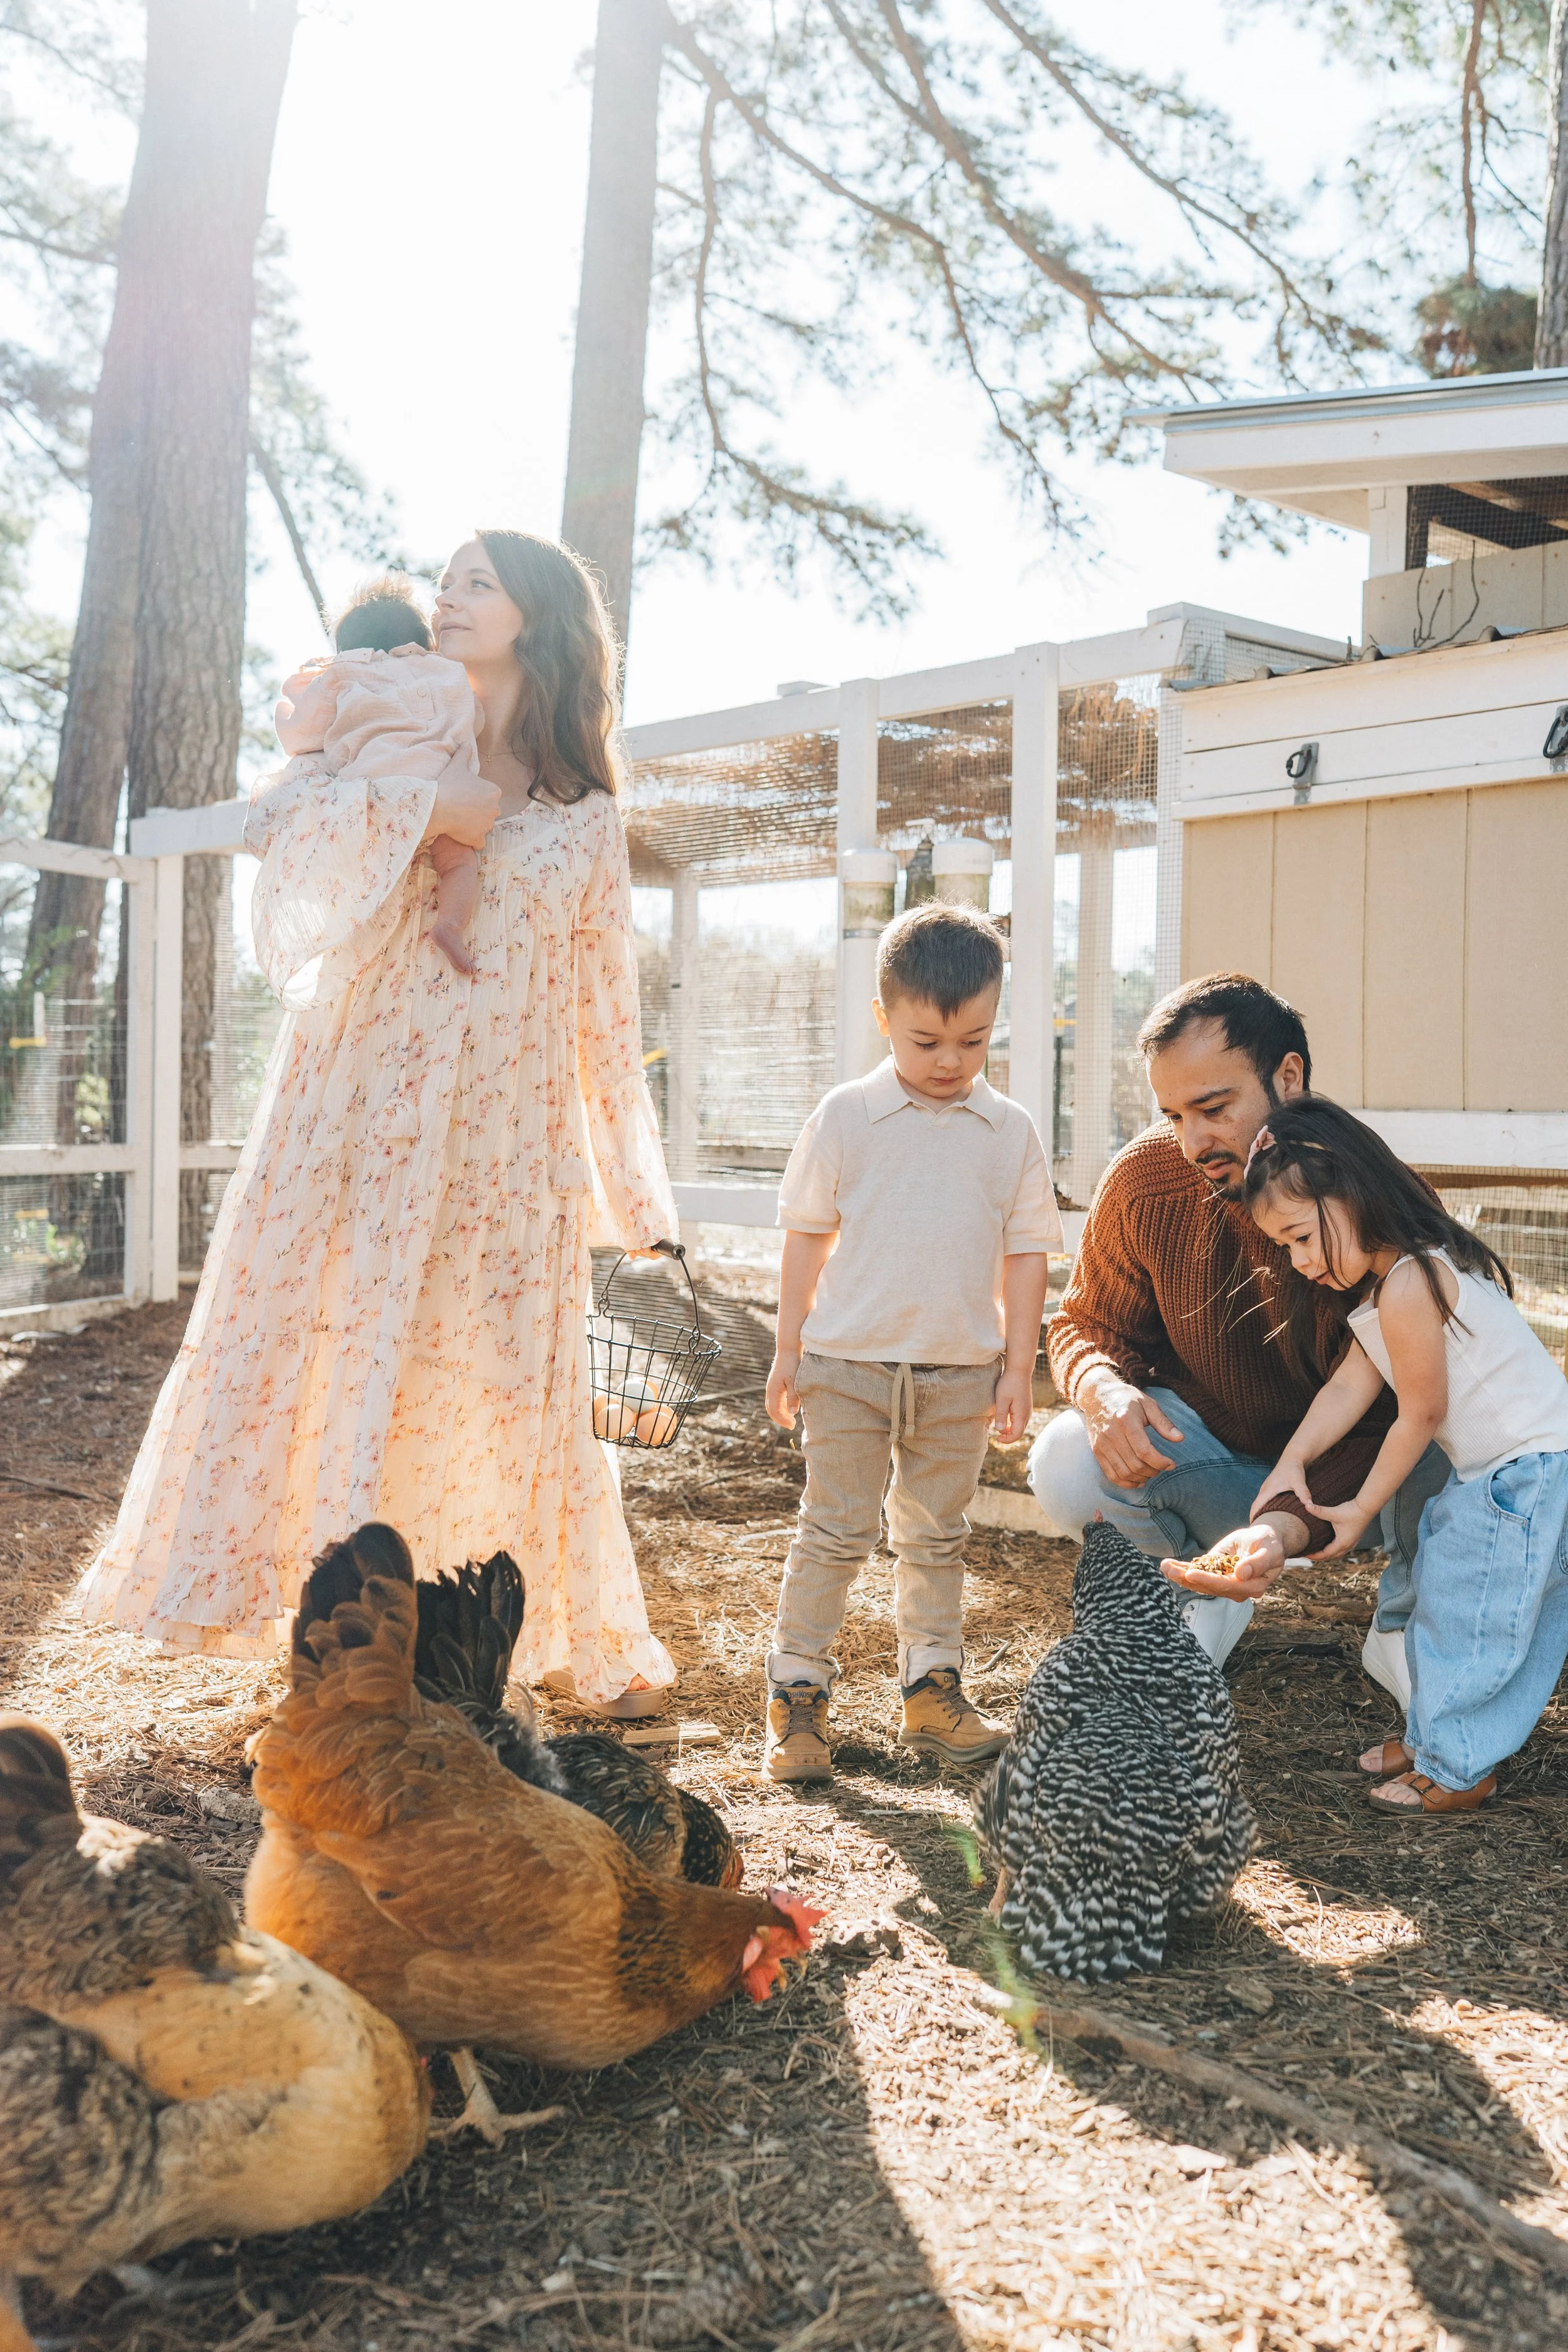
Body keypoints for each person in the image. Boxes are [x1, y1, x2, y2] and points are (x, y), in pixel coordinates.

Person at [79, 531, 679, 1717]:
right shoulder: (380, 734)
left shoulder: (584, 815)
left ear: (538, 618)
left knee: (488, 1381)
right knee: (345, 1361)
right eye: (446, 580)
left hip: (503, 1144)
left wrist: (636, 1203)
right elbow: (282, 829)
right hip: (356, 1112)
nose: (446, 598)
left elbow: (603, 1014)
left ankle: (468, 1644)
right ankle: (335, 1644)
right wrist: (417, 797)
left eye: (477, 583)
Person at [1028, 972, 1448, 1681]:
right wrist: (1101, 1390)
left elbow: (1403, 1419)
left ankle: (1409, 1635)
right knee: (1067, 1455)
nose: (1193, 1141)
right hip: (1220, 1462)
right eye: (1172, 1116)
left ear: (1288, 1078)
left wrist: (1280, 1524)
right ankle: (1191, 1600)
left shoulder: (1382, 1201)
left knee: (1459, 1461)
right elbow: (1084, 1323)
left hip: (1371, 1483)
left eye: (1213, 1108)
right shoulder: (1144, 1180)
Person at [762, 901, 1061, 1783]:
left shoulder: (1009, 1132)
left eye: (973, 1040)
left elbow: (1025, 1251)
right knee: (835, 1530)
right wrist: (787, 1350)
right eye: (927, 1039)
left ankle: (932, 1691)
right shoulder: (847, 1117)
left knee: (936, 1537)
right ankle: (798, 1696)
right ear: (884, 1018)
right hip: (847, 1366)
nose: (950, 1061)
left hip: (957, 1375)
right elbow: (806, 1236)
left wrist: (1018, 1368)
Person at [1202, 1099, 1568, 1816]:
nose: (1298, 1261)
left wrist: (1359, 1508)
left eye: (1302, 1236)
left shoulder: (1409, 1281)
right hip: (1508, 1473)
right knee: (1450, 1603)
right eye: (1285, 1246)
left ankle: (1459, 1769)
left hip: (1524, 1475)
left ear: (1351, 1193)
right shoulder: (1396, 1281)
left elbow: (1422, 1411)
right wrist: (1292, 1465)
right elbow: (1348, 1385)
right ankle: (1436, 1739)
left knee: (1475, 1621)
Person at [273, 576, 482, 978]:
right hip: (437, 779)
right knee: (458, 863)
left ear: (346, 649)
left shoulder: (340, 676)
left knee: (365, 879)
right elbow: (474, 716)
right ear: (424, 641)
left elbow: (301, 734)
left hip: (377, 790)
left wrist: (286, 716)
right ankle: (450, 926)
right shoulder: (444, 670)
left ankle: (356, 948)